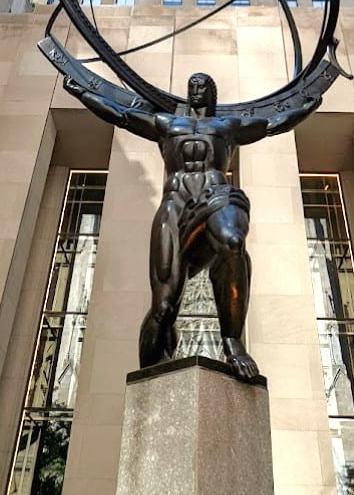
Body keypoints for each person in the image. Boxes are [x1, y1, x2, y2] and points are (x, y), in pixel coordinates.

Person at [63, 71, 319, 380]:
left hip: (215, 197)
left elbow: (272, 124)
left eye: (203, 85)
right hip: (175, 206)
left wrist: (310, 103)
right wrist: (81, 93)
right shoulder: (166, 124)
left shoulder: (227, 126)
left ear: (213, 93)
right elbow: (122, 116)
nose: (196, 89)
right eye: (192, 85)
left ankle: (232, 341)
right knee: (164, 308)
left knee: (233, 241)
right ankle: (149, 382)